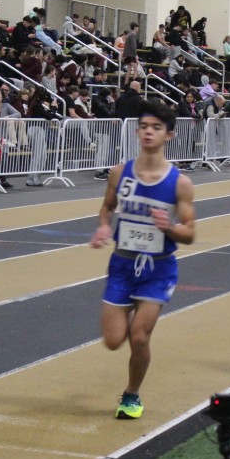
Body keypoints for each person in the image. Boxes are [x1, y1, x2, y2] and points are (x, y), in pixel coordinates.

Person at [89, 100, 196, 419]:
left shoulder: (179, 183)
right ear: (137, 131)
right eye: (144, 127)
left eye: (156, 128)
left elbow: (190, 232)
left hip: (158, 268)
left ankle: (132, 395)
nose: (149, 132)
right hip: (122, 265)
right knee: (113, 341)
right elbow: (107, 207)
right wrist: (104, 226)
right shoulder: (119, 173)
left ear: (169, 135)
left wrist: (170, 228)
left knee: (139, 337)